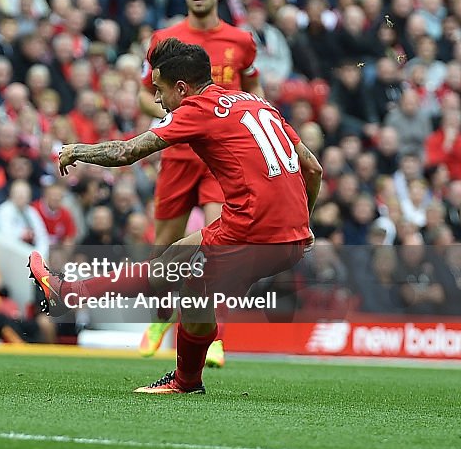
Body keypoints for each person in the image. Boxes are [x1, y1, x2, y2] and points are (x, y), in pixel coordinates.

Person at [30, 38, 322, 394]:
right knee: (172, 261)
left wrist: (77, 150)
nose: (156, 99)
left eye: (159, 89)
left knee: (191, 286)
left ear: (182, 88)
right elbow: (313, 167)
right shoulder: (258, 104)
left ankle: (186, 381)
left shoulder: (196, 108)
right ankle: (69, 293)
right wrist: (302, 224)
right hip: (287, 234)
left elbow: (126, 152)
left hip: (253, 232)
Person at [135, 0, 260, 366]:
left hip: (221, 163)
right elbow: (143, 94)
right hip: (177, 157)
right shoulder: (163, 40)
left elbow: (255, 96)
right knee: (163, 250)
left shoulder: (241, 42)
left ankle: (214, 336)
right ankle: (159, 319)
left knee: (215, 249)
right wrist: (179, 121)